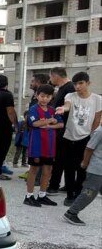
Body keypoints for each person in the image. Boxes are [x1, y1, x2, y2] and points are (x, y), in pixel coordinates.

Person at [54, 71, 102, 206]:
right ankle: (69, 195)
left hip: (85, 137)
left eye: (81, 83)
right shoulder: (71, 95)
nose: (77, 87)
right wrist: (63, 109)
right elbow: (67, 105)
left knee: (82, 168)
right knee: (69, 168)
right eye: (75, 84)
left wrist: (91, 136)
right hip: (68, 137)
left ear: (88, 83)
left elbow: (97, 119)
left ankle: (78, 192)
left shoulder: (97, 99)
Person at [23, 84, 63, 207]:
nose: (44, 99)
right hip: (36, 145)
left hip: (50, 146)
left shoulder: (52, 110)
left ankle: (42, 195)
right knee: (34, 170)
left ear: (51, 97)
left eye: (47, 97)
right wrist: (50, 120)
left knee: (47, 171)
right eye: (42, 96)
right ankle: (29, 196)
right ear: (37, 96)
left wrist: (49, 125)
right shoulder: (33, 109)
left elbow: (61, 124)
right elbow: (35, 123)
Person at [63, 126, 102, 225]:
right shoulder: (99, 131)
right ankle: (71, 213)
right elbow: (89, 148)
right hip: (96, 169)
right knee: (89, 193)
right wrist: (85, 163)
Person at [47, 67, 76, 194]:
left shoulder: (69, 88)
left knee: (59, 158)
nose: (50, 79)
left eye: (50, 76)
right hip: (61, 127)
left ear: (55, 76)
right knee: (62, 158)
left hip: (66, 128)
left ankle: (54, 185)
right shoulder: (62, 89)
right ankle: (66, 185)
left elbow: (69, 107)